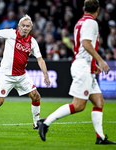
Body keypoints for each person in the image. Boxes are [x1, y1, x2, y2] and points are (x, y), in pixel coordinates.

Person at [38, 0, 116, 144]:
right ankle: (46, 122)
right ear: (98, 10)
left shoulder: (80, 22)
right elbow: (86, 44)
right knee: (79, 105)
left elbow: (82, 46)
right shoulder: (91, 23)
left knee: (99, 102)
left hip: (86, 66)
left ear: (84, 9)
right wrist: (100, 60)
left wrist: (93, 65)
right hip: (82, 67)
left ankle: (100, 138)